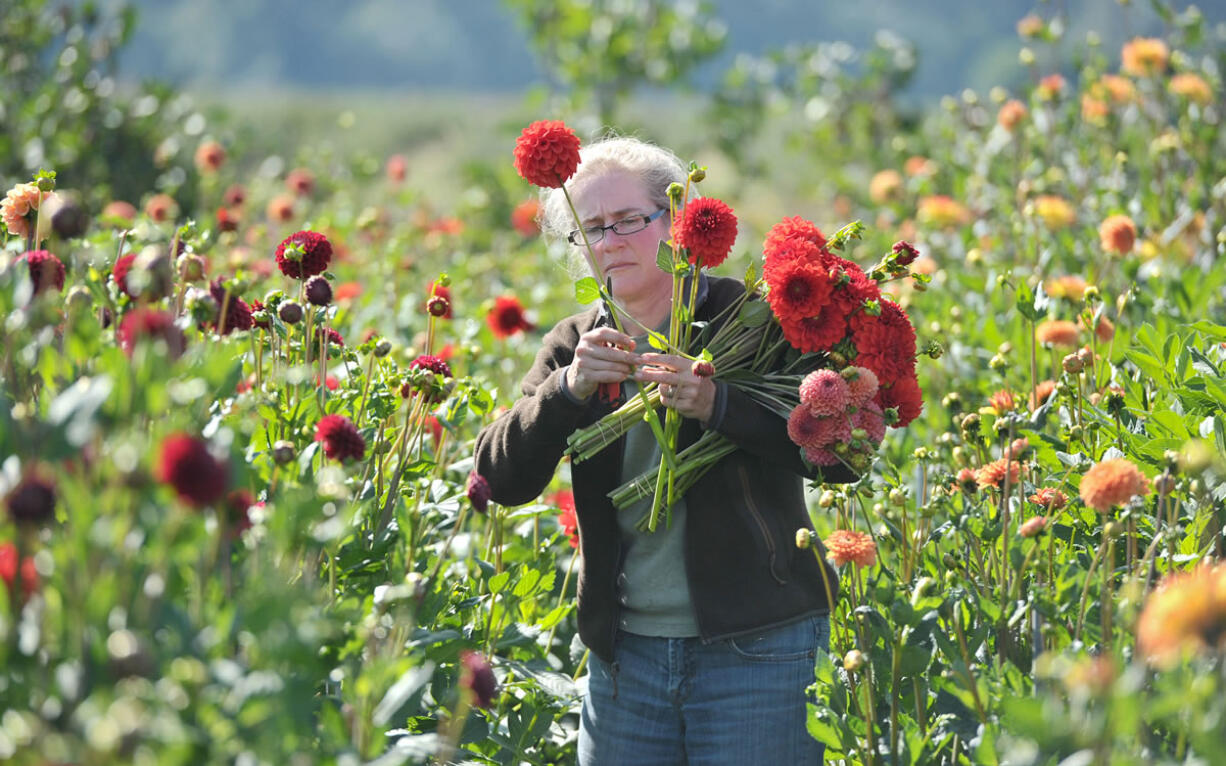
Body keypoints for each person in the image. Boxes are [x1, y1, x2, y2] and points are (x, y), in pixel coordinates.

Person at [473, 135, 855, 765]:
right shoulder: (576, 344)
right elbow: (497, 480)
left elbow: (840, 453)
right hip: (627, 661)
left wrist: (718, 406)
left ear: (675, 221)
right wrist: (569, 391)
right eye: (591, 228)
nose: (610, 240)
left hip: (759, 649)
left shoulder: (750, 320)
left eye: (627, 220)